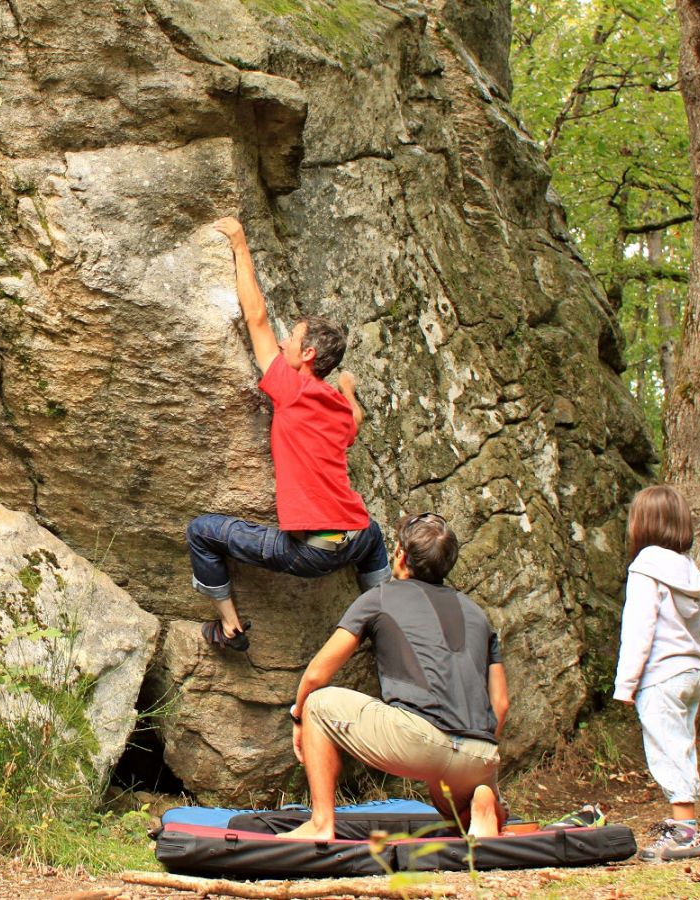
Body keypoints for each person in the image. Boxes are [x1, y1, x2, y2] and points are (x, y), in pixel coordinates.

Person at [187, 217, 390, 652]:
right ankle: (386, 612)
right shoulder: (337, 408)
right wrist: (349, 389)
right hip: (355, 536)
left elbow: (255, 318)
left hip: (315, 549)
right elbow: (356, 420)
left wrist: (240, 245)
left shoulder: (292, 389)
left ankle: (230, 630)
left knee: (201, 531)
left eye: (291, 340)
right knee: (373, 537)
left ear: (308, 355)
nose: (281, 343)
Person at [281, 513, 508, 839]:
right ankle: (482, 800)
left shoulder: (381, 596)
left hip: (419, 742)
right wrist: (470, 750)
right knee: (450, 807)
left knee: (317, 703)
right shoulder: (477, 614)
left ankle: (320, 824)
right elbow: (500, 704)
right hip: (480, 754)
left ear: (400, 555)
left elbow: (316, 675)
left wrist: (299, 718)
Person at [613, 485, 700, 862]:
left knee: (667, 751)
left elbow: (639, 630)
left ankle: (683, 833)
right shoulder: (687, 569)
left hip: (661, 676)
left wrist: (626, 685)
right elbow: (694, 630)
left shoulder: (645, 568)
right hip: (690, 671)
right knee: (682, 745)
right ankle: (687, 826)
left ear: (642, 524)